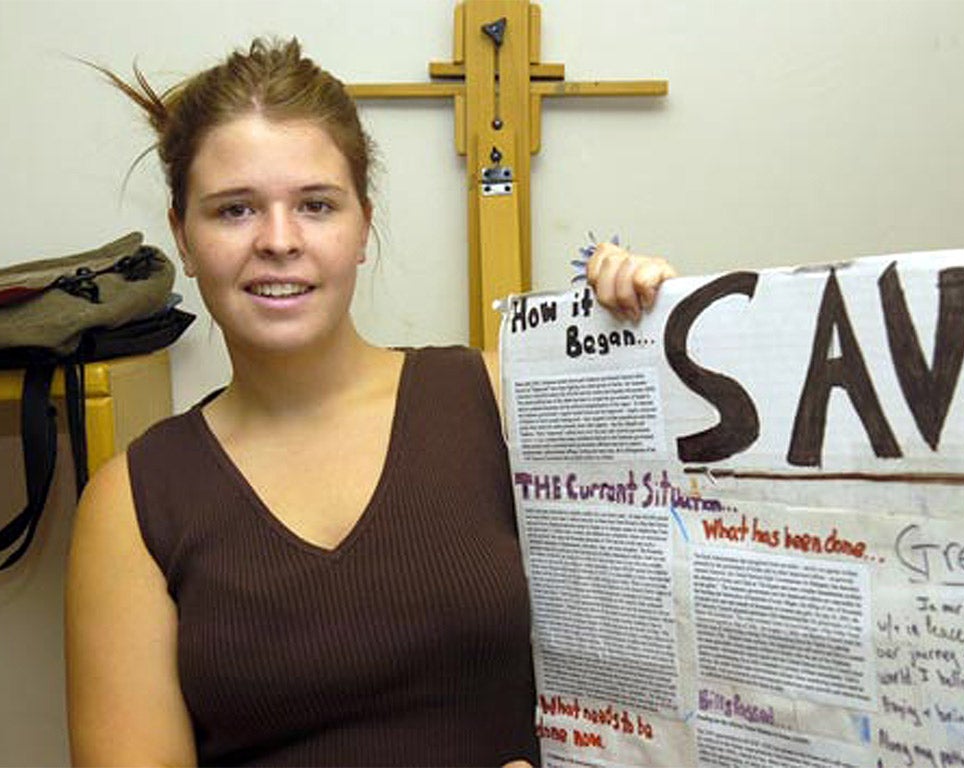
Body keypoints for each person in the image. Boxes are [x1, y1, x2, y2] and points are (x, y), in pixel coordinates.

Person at [64, 37, 677, 767]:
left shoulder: (499, 401)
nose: (280, 241)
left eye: (317, 205)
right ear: (183, 239)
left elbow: (686, 603)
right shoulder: (132, 503)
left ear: (362, 225)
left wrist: (662, 339)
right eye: (234, 211)